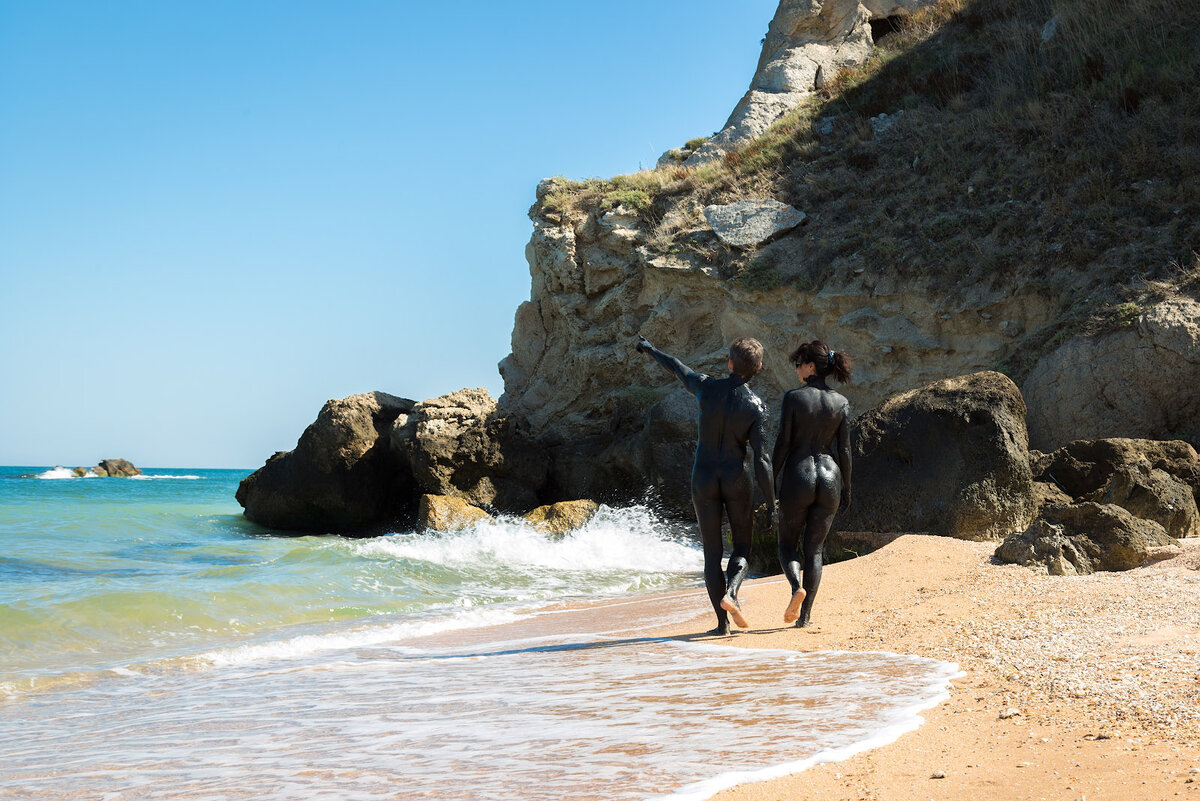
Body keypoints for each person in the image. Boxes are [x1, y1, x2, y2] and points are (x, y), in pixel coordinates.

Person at [637, 335, 775, 635]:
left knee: (712, 554)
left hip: (703, 479)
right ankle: (733, 593)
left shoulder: (706, 387)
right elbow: (762, 460)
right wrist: (772, 503)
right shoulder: (757, 407)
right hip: (737, 479)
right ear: (759, 368)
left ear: (729, 363)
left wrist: (650, 349)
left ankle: (721, 626)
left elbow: (676, 367)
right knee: (741, 548)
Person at [773, 340, 852, 628]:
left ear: (810, 366)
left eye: (798, 364)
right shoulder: (841, 402)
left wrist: (769, 479)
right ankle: (804, 617)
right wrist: (848, 488)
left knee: (786, 544)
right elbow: (844, 450)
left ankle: (796, 589)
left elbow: (783, 443)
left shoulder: (794, 398)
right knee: (815, 550)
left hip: (800, 473)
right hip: (831, 476)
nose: (796, 370)